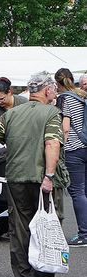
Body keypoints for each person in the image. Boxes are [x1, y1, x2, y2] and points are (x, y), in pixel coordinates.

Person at [0, 72, 67, 277]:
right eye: (54, 89)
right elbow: (51, 144)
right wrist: (49, 175)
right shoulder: (52, 113)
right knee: (49, 226)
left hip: (16, 177)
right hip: (41, 179)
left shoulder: (12, 113)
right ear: (47, 91)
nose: (55, 93)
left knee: (19, 227)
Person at [55, 68, 87, 247]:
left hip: (74, 148)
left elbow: (65, 127)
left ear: (58, 83)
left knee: (77, 192)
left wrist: (60, 146)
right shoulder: (82, 95)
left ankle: (84, 234)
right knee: (85, 191)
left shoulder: (65, 98)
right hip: (86, 145)